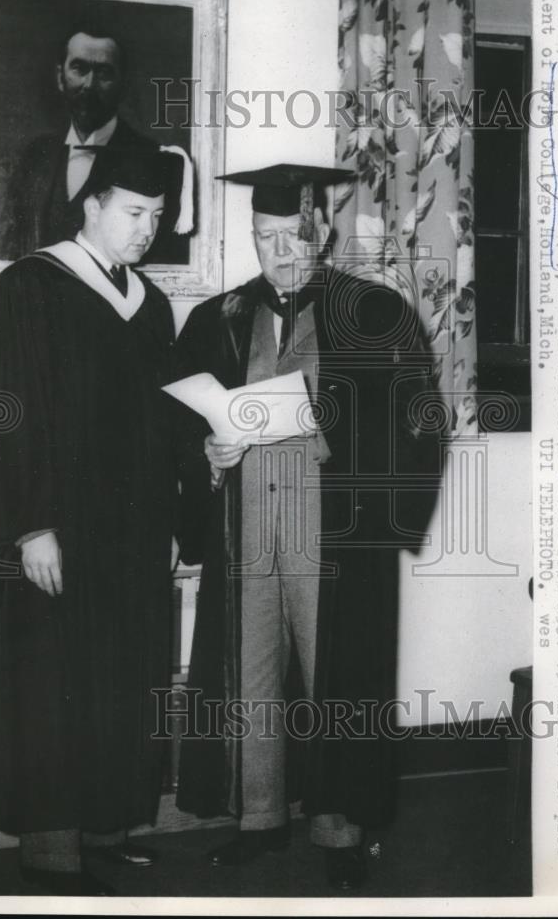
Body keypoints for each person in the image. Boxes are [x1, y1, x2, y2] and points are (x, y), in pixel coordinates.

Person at [172, 164, 443, 891]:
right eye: (264, 238)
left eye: (292, 236)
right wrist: (210, 454)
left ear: (318, 231)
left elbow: (420, 423)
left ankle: (340, 829)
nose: (278, 253)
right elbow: (174, 426)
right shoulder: (217, 318)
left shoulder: (374, 313)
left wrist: (338, 435)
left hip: (336, 538)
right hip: (247, 530)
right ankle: (258, 819)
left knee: (339, 681)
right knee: (249, 679)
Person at [0, 147, 182, 896]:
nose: (146, 231)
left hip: (130, 538)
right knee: (52, 684)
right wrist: (31, 526)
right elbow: (2, 417)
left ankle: (102, 833)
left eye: (158, 217)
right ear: (93, 205)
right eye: (135, 214)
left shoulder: (153, 305)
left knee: (118, 681)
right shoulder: (30, 288)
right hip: (54, 533)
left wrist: (169, 519)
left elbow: (162, 425)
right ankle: (50, 853)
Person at [0, 27, 192, 261]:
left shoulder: (150, 157)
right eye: (79, 69)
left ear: (124, 84)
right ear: (61, 77)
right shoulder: (36, 154)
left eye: (104, 73)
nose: (89, 84)